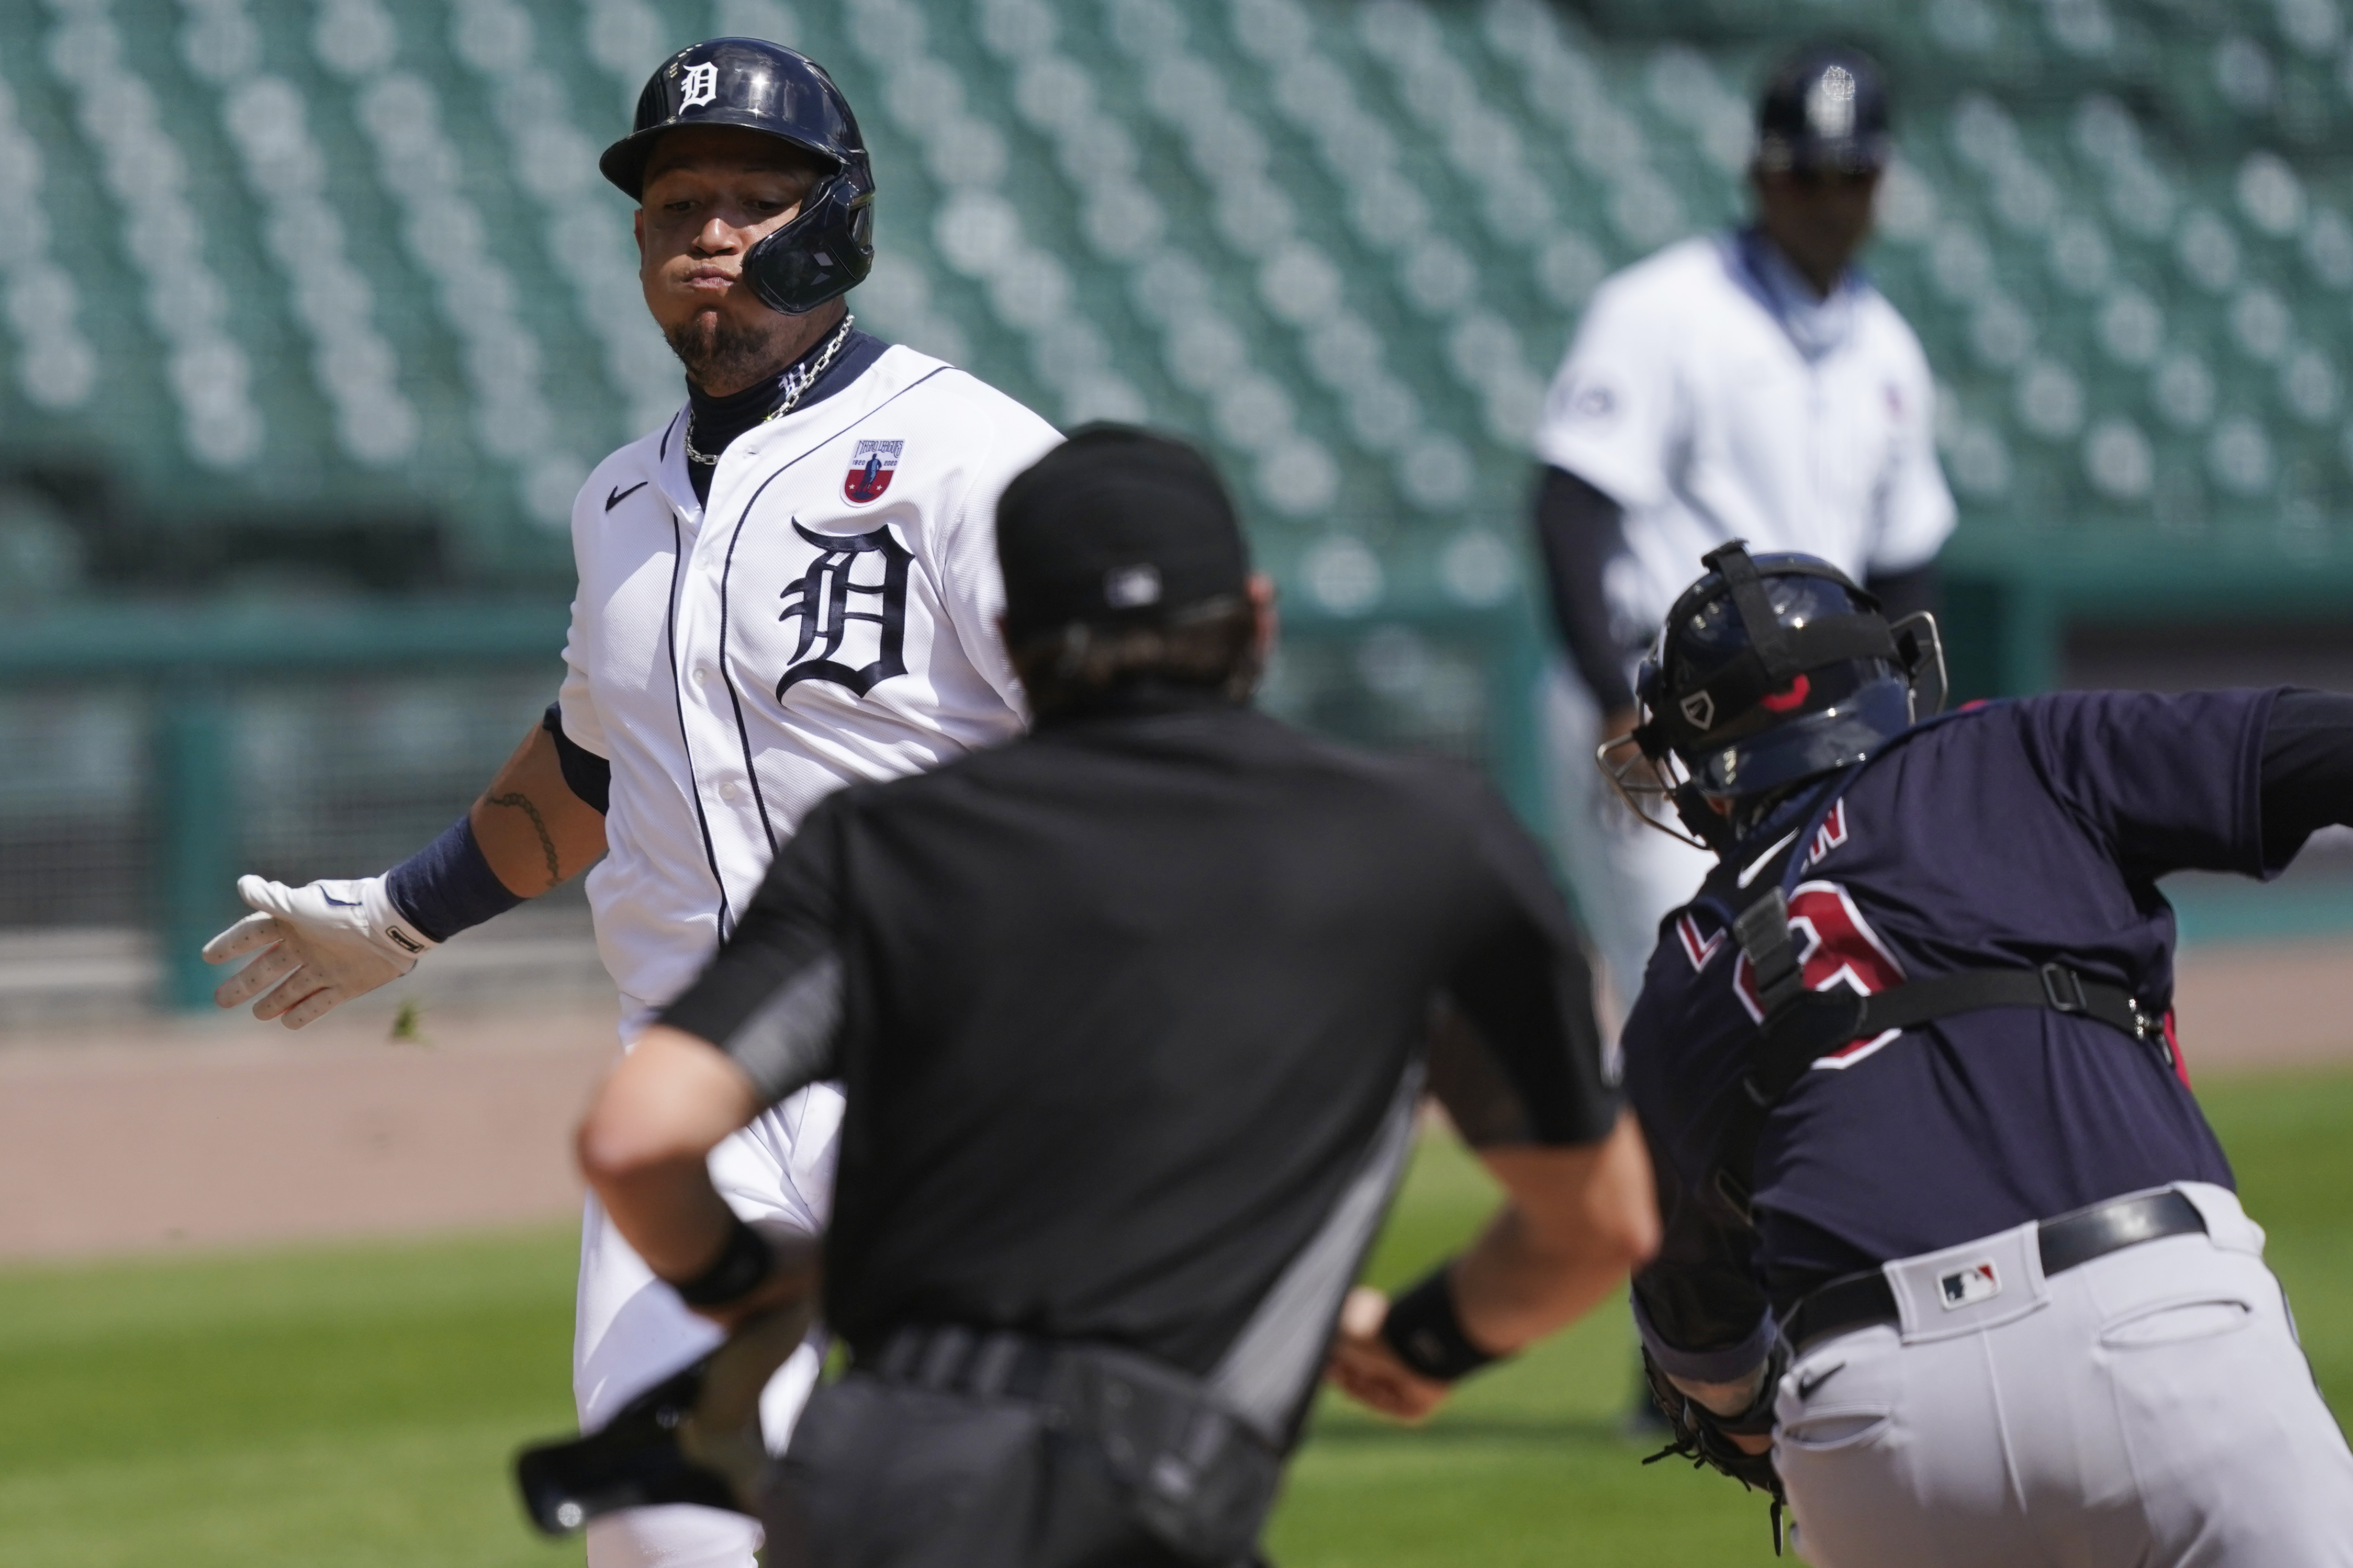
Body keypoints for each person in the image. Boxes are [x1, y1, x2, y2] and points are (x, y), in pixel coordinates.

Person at [198, 37, 1061, 1568]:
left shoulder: (976, 458)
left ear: (841, 218)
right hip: (691, 1085)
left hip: (950, 1068)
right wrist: (401, 914)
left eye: (752, 196)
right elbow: (598, 760)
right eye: (675, 205)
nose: (708, 233)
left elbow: (1131, 746)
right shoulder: (618, 497)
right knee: (668, 1531)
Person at [560, 427, 1659, 1567]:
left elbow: (635, 1134)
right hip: (1134, 1492)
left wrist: (744, 1280)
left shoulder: (884, 845)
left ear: (1010, 640)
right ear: (1259, 616)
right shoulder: (1428, 843)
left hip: (860, 1478)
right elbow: (1603, 1219)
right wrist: (1426, 1341)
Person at [1609, 541, 2353, 1564]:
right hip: (2154, 1326)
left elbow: (1705, 1349)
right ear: (1892, 672)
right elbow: (2315, 747)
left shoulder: (1679, 980)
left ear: (1699, 771)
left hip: (1875, 1408)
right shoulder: (2011, 747)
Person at [1529, 43, 1955, 1013]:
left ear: (1882, 180)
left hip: (1821, 716)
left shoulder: (1888, 345)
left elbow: (1907, 564)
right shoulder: (1663, 308)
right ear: (1761, 170)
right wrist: (1612, 700)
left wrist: (1906, 733)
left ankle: (1612, 1166)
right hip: (1668, 702)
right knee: (1690, 998)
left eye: (1852, 174)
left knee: (1794, 1003)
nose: (1829, 197)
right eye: (1807, 171)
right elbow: (1568, 507)